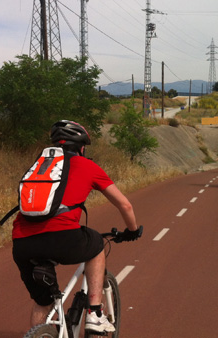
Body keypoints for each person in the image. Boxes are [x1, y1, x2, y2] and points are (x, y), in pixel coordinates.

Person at [12, 120, 142, 334]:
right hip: (62, 237)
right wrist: (132, 230)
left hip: (22, 242)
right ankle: (94, 313)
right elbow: (124, 204)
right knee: (97, 244)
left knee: (42, 303)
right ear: (81, 147)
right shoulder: (88, 166)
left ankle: (40, 333)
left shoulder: (42, 166)